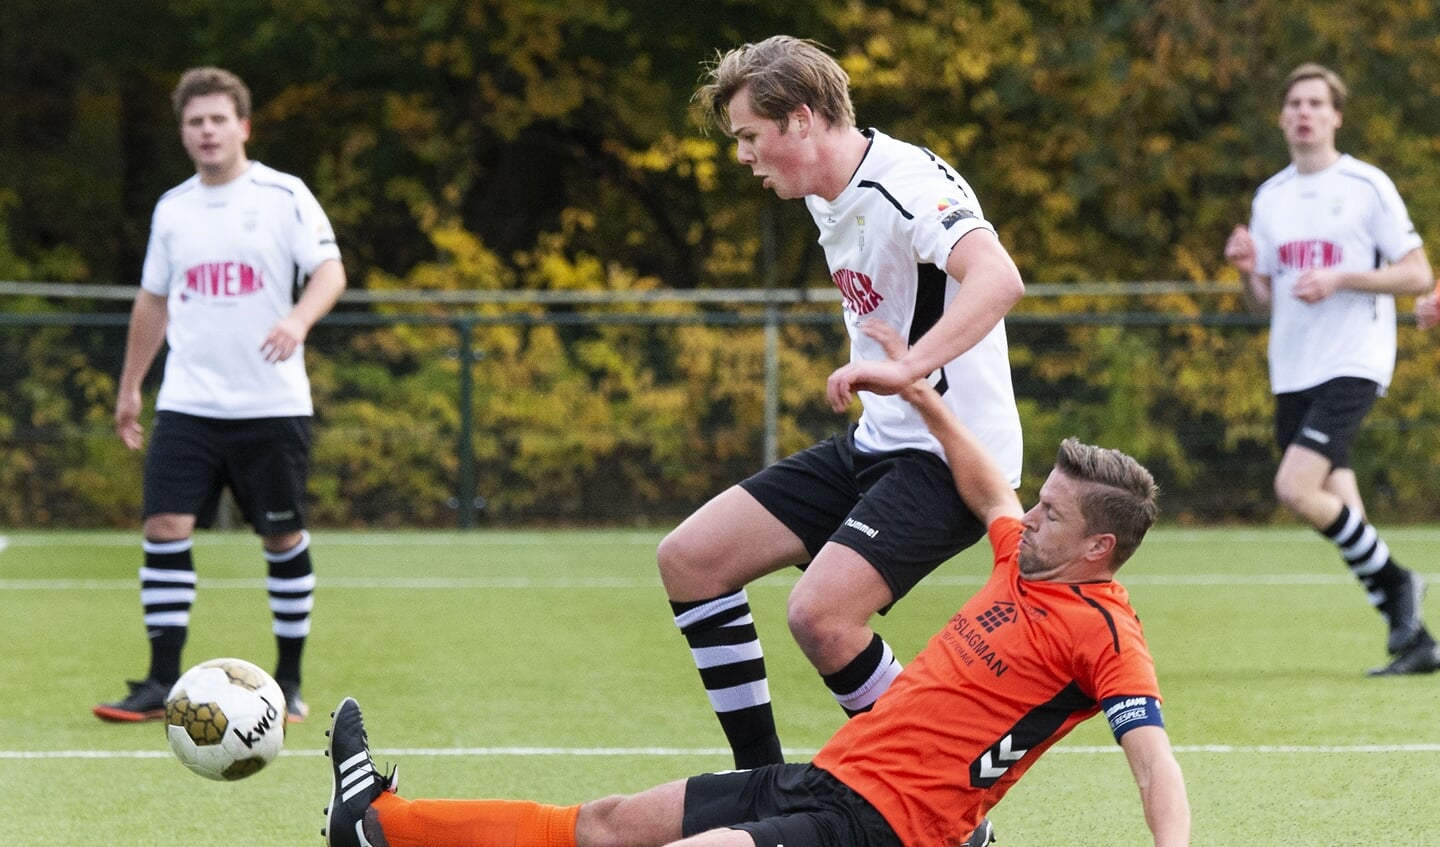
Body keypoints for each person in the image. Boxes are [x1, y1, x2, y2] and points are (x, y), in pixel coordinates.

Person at [319, 319, 1190, 847]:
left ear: (1098, 546)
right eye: (1039, 504)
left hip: (887, 829)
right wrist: (921, 397)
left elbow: (1153, 759)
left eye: (1053, 515)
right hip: (825, 780)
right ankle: (377, 824)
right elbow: (989, 485)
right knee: (608, 823)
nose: (1030, 517)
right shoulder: (1020, 555)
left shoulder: (1104, 635)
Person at [658, 35, 1024, 793]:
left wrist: (907, 367)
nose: (743, 157)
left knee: (820, 617)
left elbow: (999, 278)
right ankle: (760, 785)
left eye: (749, 137)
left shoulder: (905, 182)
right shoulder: (829, 193)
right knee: (690, 560)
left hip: (955, 456)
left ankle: (948, 798)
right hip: (880, 442)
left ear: (799, 120)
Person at [93, 66, 346, 724]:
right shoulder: (173, 208)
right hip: (188, 403)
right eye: (194, 122)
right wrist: (130, 388)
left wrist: (297, 320)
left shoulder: (284, 194)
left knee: (283, 536)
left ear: (243, 126)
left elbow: (330, 269)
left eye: (217, 119)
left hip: (272, 404)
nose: (206, 131)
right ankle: (157, 680)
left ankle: (287, 683)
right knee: (163, 527)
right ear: (183, 134)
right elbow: (152, 302)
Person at [1223, 63, 1438, 676]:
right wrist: (1246, 269)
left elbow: (1418, 273)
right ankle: (1414, 639)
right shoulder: (1270, 198)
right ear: (1283, 116)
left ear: (1337, 116)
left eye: (1316, 102)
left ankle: (1400, 585)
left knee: (1294, 487)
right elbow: (1264, 299)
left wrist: (1344, 276)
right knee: (1344, 508)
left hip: (1353, 359)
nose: (1304, 112)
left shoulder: (1366, 186)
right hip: (1292, 367)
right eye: (1294, 103)